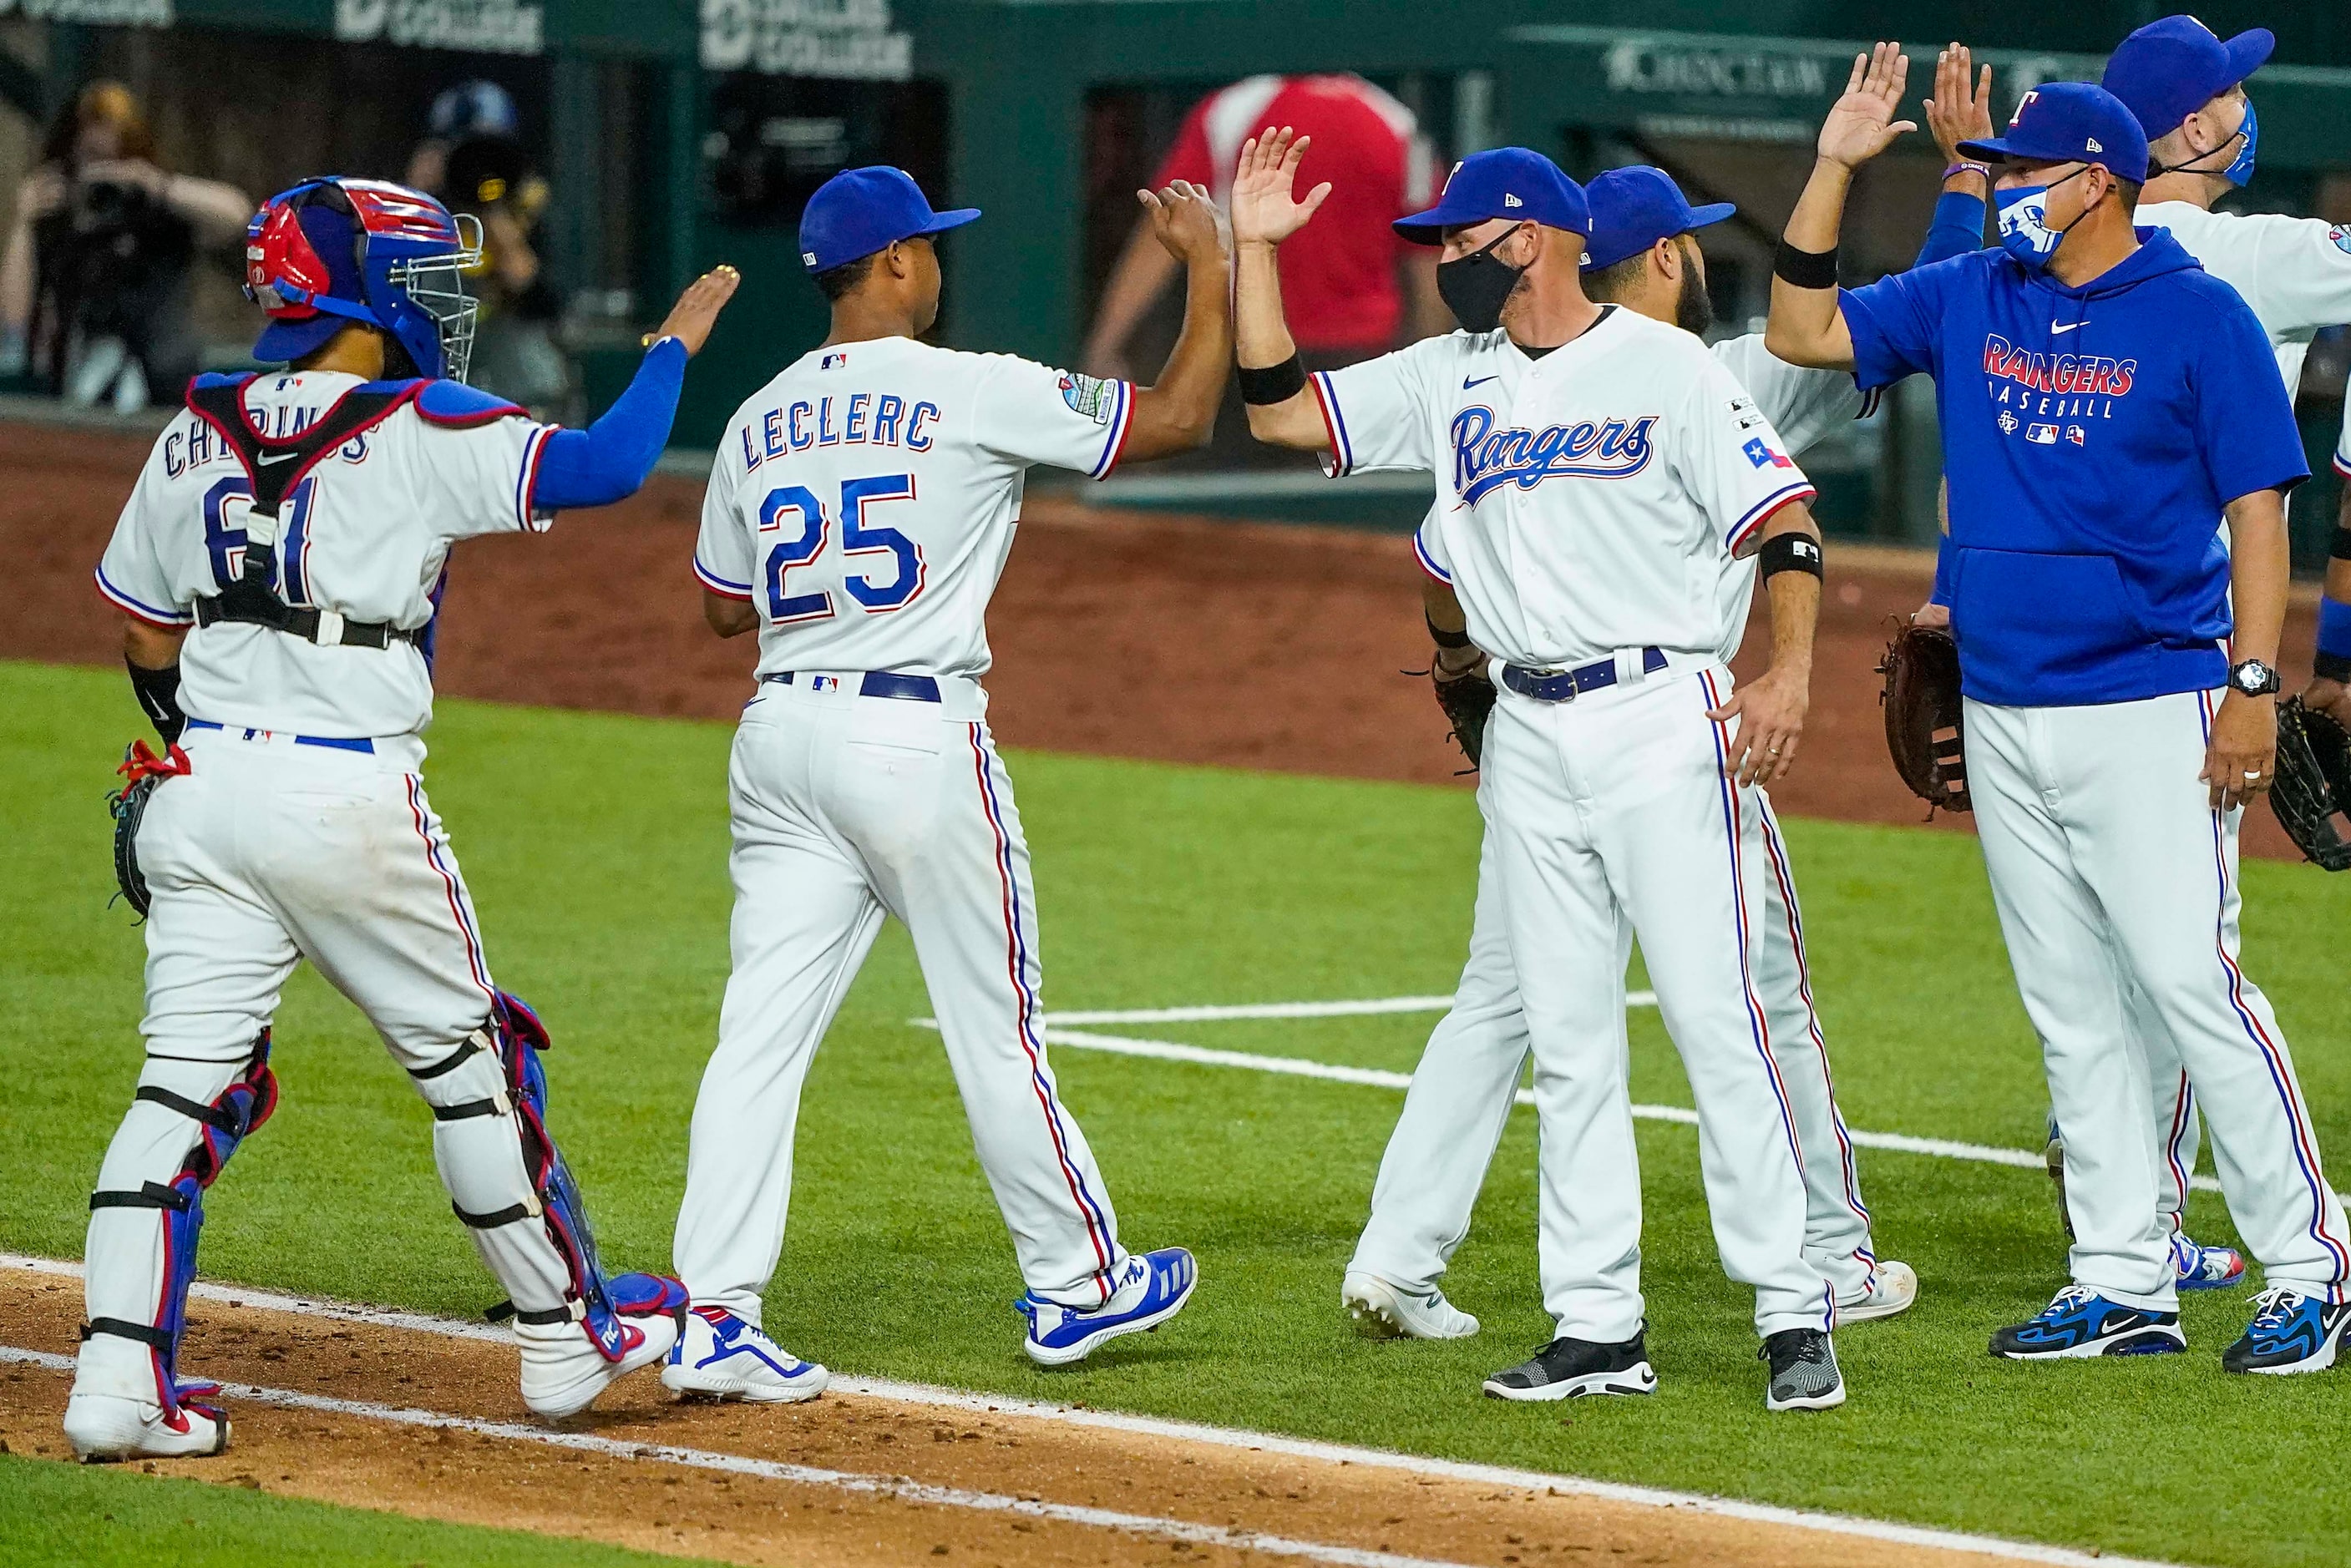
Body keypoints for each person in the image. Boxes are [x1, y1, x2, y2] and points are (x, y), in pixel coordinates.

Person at [70, 174, 741, 1459]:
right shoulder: (422, 420)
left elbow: (142, 624)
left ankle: (114, 1382)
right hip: (345, 794)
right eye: (422, 275)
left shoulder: (191, 426)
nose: (443, 297)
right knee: (473, 1064)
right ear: (365, 296)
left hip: (198, 793)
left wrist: (205, 744)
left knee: (180, 1090)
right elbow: (604, 466)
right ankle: (560, 1336)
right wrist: (667, 352)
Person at [1238, 131, 1845, 1410]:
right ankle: (1596, 1327)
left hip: (1659, 718)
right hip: (1528, 733)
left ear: (1527, 239)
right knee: (1568, 1043)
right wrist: (1251, 255)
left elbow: (1781, 523)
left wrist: (1785, 676)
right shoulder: (1447, 377)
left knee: (1713, 1019)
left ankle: (1792, 1311)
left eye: (1456, 241)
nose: (1443, 263)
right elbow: (1281, 408)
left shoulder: (1665, 367)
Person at [1766, 49, 2351, 1372]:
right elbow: (1802, 330)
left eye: (2016, 171)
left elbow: (2261, 508)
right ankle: (2118, 1275)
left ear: (2096, 181)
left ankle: (2310, 1266)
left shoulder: (2195, 313)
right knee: (2070, 1006)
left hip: (2151, 699)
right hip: (2005, 706)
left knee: (2191, 987)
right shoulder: (1974, 292)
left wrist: (2251, 686)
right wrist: (1837, 165)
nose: (1996, 188)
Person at [1341, 161, 1974, 1344]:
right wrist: (1898, 181)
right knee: (1752, 999)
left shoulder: (1500, 384)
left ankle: (1399, 1251)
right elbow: (1911, 319)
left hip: (1546, 729)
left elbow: (1435, 559)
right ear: (1668, 257)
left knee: (1505, 998)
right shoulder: (1725, 372)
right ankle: (1819, 1263)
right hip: (1682, 736)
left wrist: (1458, 668)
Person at [665, 165, 1229, 1399]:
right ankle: (1081, 1282)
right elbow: (1178, 418)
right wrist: (1209, 267)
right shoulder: (974, 385)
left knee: (755, 1038)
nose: (939, 263)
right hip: (909, 743)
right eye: (929, 244)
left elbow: (718, 604)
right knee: (994, 1025)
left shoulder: (759, 413)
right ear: (896, 266)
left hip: (778, 739)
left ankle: (712, 1310)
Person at [1913, 22, 2351, 1294]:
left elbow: (1933, 355)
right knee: (2180, 964)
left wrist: (1955, 182)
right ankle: (2276, 1244)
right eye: (2223, 94)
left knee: (2105, 969)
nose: (2239, 108)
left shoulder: (2029, 268)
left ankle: (2132, 1219)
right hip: (2186, 642)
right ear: (2180, 133)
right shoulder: (2240, 257)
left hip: (2052, 639)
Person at [1083, 73, 1445, 385]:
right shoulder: (1396, 122)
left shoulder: (1230, 111)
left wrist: (1104, 346)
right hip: (1362, 357)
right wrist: (1434, 376)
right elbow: (1429, 263)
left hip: (1252, 350)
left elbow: (1162, 233)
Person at [0, 81, 251, 408]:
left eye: (112, 161)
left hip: (161, 378)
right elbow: (13, 319)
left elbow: (236, 214)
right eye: (91, 160)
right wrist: (25, 223)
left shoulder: (156, 214)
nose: (102, 176)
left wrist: (151, 184)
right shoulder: (59, 225)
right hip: (76, 384)